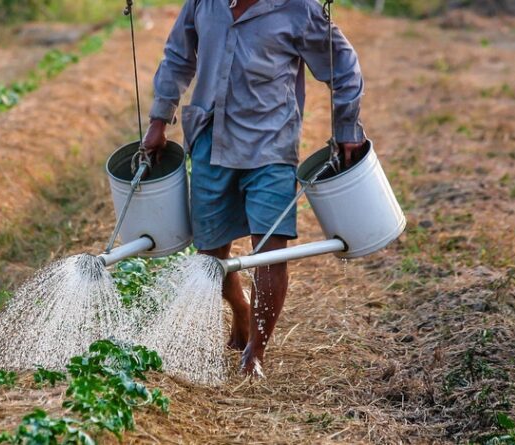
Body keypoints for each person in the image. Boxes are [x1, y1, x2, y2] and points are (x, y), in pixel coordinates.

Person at [142, 0, 366, 377]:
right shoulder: (203, 4)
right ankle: (241, 310)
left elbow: (342, 66)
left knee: (270, 252)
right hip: (210, 140)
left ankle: (255, 352)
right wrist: (159, 118)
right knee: (210, 256)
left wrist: (346, 126)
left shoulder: (299, 9)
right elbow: (179, 56)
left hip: (271, 145)